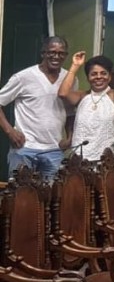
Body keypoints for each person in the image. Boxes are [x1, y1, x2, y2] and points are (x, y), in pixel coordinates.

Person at [0, 36, 71, 180]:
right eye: (51, 52)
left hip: (55, 150)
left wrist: (70, 136)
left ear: (66, 56)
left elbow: (71, 111)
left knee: (53, 198)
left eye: (61, 53)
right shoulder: (24, 77)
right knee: (20, 196)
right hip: (25, 149)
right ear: (43, 53)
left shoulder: (69, 79)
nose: (56, 56)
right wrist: (10, 131)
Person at [58, 52, 114, 162]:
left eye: (103, 73)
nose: (99, 77)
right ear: (88, 77)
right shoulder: (82, 96)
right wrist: (75, 66)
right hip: (80, 160)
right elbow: (63, 93)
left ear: (110, 76)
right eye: (94, 74)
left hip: (109, 162)